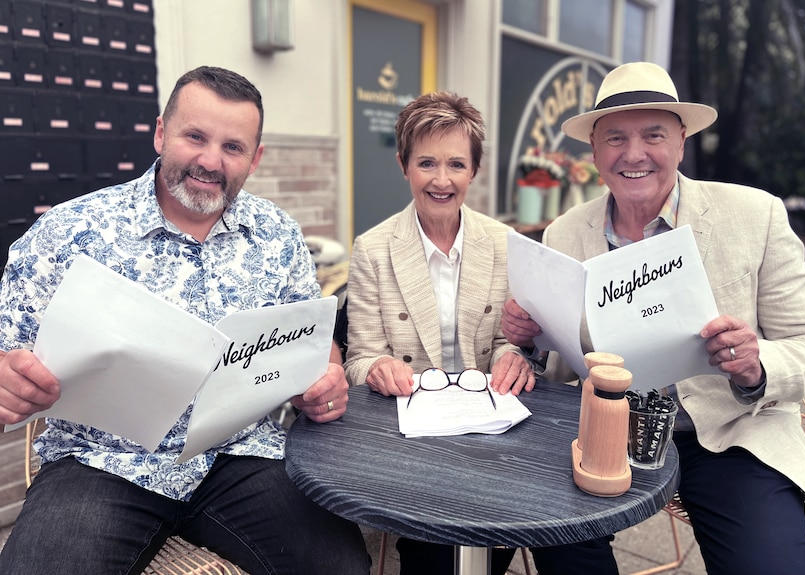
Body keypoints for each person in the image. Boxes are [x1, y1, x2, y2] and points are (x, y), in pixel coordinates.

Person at [0, 66, 370, 575]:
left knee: (341, 565)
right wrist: (7, 380)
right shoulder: (68, 232)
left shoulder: (278, 235)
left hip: (240, 453)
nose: (210, 160)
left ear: (255, 159)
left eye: (233, 147)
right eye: (195, 136)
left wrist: (324, 376)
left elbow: (312, 343)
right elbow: (7, 351)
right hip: (101, 461)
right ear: (160, 133)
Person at [502, 61, 805, 575]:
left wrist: (755, 365)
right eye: (614, 138)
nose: (633, 154)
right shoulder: (564, 234)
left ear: (681, 141)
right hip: (604, 429)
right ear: (594, 153)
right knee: (558, 538)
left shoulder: (756, 215)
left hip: (728, 434)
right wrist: (525, 342)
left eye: (653, 135)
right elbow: (550, 359)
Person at [343, 91, 617, 575]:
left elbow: (511, 338)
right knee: (437, 553)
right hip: (414, 438)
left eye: (456, 164)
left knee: (549, 527)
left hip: (494, 423)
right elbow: (359, 356)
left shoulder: (504, 243)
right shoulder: (373, 248)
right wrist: (378, 368)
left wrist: (513, 355)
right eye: (426, 163)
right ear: (404, 165)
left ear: (474, 170)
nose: (441, 180)